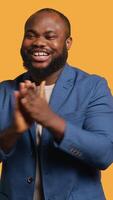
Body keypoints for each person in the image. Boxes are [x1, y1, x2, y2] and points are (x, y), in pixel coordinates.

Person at [0, 8, 113, 200]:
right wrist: (14, 130)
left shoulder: (93, 87)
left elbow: (104, 154)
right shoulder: (5, 91)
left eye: (50, 36)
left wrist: (50, 120)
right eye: (30, 35)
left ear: (68, 43)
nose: (38, 42)